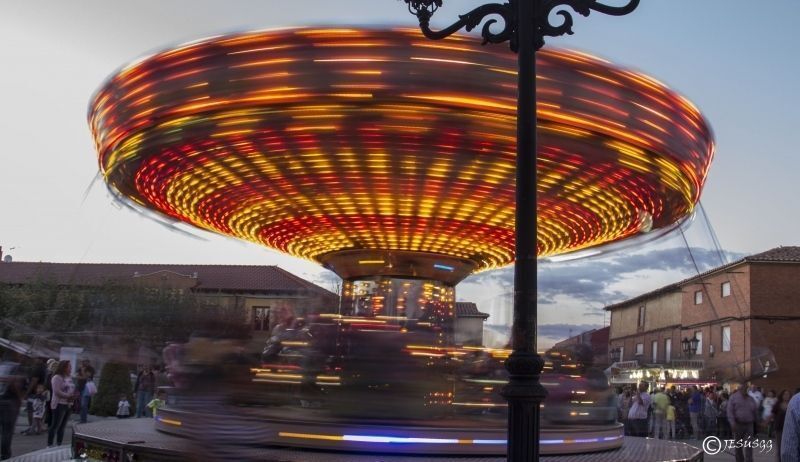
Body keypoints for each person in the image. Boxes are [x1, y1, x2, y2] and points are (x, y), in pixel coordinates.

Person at [47, 360, 76, 448]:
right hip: (59, 404)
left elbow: (71, 388)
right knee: (55, 425)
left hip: (68, 404)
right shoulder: (57, 377)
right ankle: (50, 444)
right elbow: (57, 391)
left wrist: (74, 395)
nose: (71, 368)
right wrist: (68, 396)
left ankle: (59, 444)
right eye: (69, 366)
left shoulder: (69, 377)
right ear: (63, 367)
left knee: (62, 426)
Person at [728, 382, 758, 462]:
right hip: (738, 425)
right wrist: (732, 423)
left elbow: (755, 411)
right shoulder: (733, 398)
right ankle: (739, 460)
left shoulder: (751, 399)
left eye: (746, 388)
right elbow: (730, 411)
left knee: (749, 445)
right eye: (743, 388)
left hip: (749, 425)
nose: (745, 390)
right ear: (739, 389)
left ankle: (749, 460)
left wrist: (757, 421)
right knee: (738, 446)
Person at [0, 365, 22, 460]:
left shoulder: (3, 365)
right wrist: (20, 397)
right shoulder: (14, 366)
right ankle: (5, 455)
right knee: (7, 431)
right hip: (9, 402)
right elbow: (14, 385)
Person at [774, 389, 791, 462]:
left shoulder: (791, 404)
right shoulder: (778, 404)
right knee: (779, 447)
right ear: (782, 395)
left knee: (788, 447)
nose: (786, 396)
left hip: (789, 429)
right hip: (779, 429)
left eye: (787, 394)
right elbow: (773, 413)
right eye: (784, 394)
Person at [77, 360, 96, 424]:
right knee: (81, 405)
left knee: (84, 404)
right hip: (80, 387)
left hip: (87, 388)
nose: (84, 363)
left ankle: (83, 420)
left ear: (88, 362)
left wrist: (83, 371)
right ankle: (82, 419)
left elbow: (87, 376)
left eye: (86, 361)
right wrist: (83, 376)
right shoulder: (80, 368)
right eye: (83, 361)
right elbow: (78, 376)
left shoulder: (91, 369)